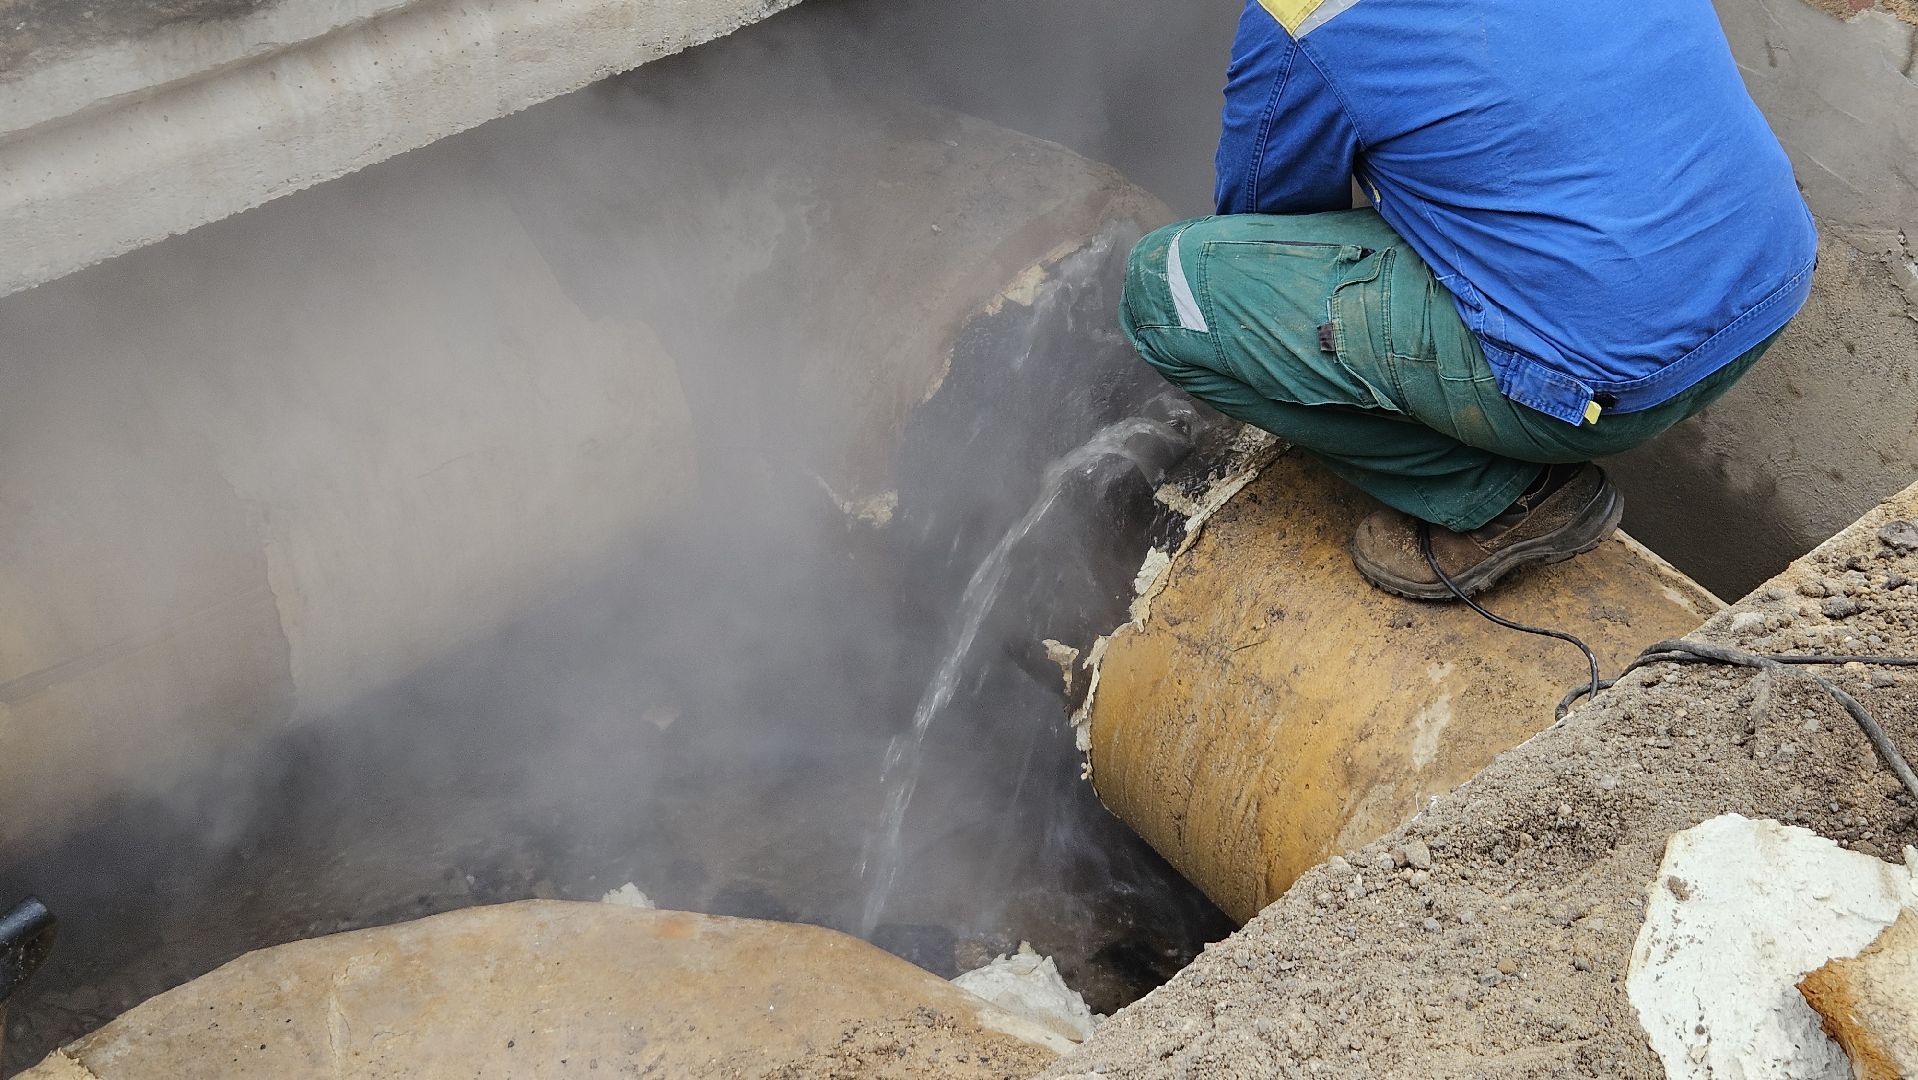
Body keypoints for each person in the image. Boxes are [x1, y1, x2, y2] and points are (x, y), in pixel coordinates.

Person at [1121, 0, 1816, 600]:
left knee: (1168, 288)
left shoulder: (1307, 15)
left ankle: (1496, 500)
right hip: (1771, 281)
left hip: (1602, 381)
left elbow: (1264, 227)